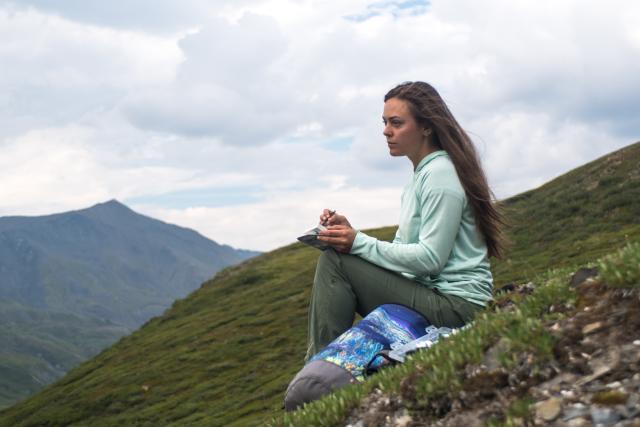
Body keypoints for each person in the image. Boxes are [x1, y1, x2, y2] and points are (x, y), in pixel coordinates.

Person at [305, 81, 506, 360]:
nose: (386, 131)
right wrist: (349, 235)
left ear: (426, 127)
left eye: (397, 123)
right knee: (338, 256)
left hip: (458, 307)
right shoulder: (420, 177)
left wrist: (357, 243)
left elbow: (430, 259)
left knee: (336, 262)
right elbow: (406, 260)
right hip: (434, 297)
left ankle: (321, 368)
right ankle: (324, 369)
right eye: (385, 122)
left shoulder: (439, 174)